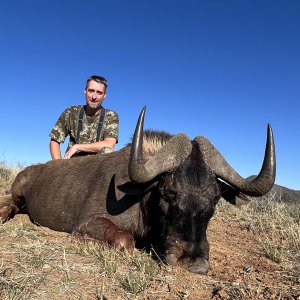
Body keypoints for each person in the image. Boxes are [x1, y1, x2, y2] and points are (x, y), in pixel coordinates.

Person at [49, 75, 119, 159]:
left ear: (104, 95)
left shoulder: (111, 115)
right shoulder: (71, 111)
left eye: (99, 92)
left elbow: (110, 144)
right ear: (85, 91)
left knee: (107, 151)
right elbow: (54, 141)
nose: (94, 97)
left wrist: (77, 147)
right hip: (72, 164)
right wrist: (59, 167)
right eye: (91, 91)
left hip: (97, 166)